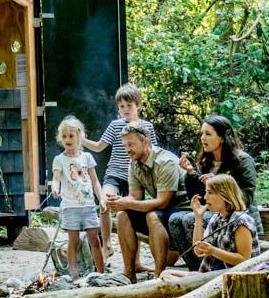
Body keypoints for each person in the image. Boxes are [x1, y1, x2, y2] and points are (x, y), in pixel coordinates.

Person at [169, 115, 261, 268]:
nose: (202, 138)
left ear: (223, 138)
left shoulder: (243, 161)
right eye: (202, 133)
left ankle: (209, 270)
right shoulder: (206, 161)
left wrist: (220, 182)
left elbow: (246, 197)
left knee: (189, 219)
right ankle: (196, 268)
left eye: (208, 134)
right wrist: (191, 173)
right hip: (214, 212)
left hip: (237, 214)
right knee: (175, 219)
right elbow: (201, 197)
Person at [83, 84, 158, 256]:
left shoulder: (147, 127)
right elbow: (99, 146)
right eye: (121, 106)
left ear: (138, 105)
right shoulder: (115, 125)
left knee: (132, 212)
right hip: (115, 172)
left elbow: (154, 152)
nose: (125, 109)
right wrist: (82, 140)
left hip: (138, 177)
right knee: (105, 201)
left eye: (129, 105)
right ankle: (107, 244)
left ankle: (135, 257)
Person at [106, 122, 187, 281]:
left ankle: (158, 275)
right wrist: (120, 201)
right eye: (125, 145)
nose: (127, 149)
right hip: (162, 210)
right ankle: (129, 273)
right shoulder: (134, 162)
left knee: (152, 216)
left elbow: (163, 202)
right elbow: (135, 197)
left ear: (146, 142)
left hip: (182, 210)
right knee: (123, 215)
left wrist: (127, 203)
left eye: (131, 144)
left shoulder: (165, 161)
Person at [51, 116, 108, 281]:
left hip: (89, 206)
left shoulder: (87, 157)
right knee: (73, 241)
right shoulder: (59, 159)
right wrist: (55, 189)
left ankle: (101, 274)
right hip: (70, 207)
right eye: (64, 136)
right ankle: (74, 277)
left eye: (71, 136)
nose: (67, 139)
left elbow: (95, 182)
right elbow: (56, 178)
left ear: (79, 136)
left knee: (95, 241)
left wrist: (102, 199)